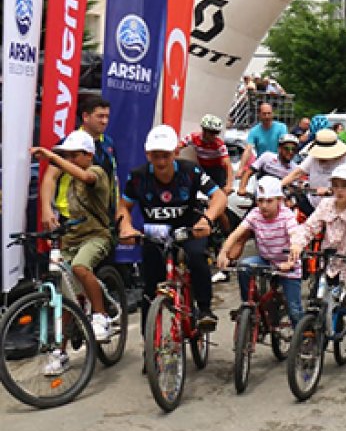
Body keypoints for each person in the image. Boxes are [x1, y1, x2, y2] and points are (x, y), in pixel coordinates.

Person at [118, 126, 227, 331]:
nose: (160, 162)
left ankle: (204, 309)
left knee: (196, 257)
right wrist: (125, 226)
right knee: (150, 288)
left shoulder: (191, 171)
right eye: (155, 156)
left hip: (189, 229)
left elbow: (219, 196)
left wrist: (208, 219)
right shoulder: (138, 176)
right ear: (147, 154)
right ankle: (149, 348)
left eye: (166, 156)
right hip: (155, 233)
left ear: (175, 153)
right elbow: (124, 206)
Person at [288, 163, 346, 377]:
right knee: (316, 299)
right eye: (335, 186)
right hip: (330, 260)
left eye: (343, 186)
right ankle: (311, 340)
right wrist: (297, 243)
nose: (338, 191)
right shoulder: (326, 205)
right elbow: (310, 227)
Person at [29, 131, 114, 354]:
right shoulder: (70, 183)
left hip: (96, 236)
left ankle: (100, 316)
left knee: (80, 267)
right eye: (67, 156)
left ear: (88, 155)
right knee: (66, 296)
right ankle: (60, 352)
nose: (69, 161)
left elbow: (85, 177)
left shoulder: (97, 172)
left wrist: (52, 156)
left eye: (74, 156)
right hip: (72, 238)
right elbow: (52, 179)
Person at [216, 176, 304, 330]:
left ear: (279, 200)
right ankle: (247, 305)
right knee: (244, 267)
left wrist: (292, 257)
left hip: (287, 264)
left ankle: (301, 338)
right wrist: (223, 253)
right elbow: (236, 234)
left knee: (294, 309)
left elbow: (295, 237)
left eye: (269, 201)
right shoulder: (255, 214)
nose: (264, 206)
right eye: (260, 201)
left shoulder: (286, 215)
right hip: (266, 260)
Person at [40, 94, 123, 233]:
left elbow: (113, 178)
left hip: (103, 218)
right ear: (85, 117)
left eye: (107, 117)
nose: (104, 121)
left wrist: (118, 211)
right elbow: (50, 177)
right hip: (72, 216)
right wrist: (46, 209)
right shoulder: (68, 144)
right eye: (100, 116)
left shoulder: (109, 143)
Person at [281, 129, 346, 216]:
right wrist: (278, 186)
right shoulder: (313, 157)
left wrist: (331, 190)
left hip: (337, 208)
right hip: (313, 205)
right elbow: (296, 173)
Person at [178, 115, 234, 197]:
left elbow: (228, 165)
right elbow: (178, 146)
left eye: (217, 133)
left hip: (217, 170)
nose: (214, 136)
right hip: (203, 168)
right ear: (204, 130)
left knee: (219, 193)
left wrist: (229, 185)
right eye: (212, 133)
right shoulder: (193, 137)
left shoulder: (219, 144)